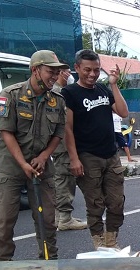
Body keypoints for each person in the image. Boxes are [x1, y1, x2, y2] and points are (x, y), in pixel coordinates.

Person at [0, 50, 68, 261]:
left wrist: (44, 157)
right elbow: (6, 132)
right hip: (11, 165)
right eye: (50, 71)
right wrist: (23, 164)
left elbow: (59, 133)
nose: (54, 76)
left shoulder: (57, 100)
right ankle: (2, 267)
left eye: (57, 72)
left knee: (47, 221)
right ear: (35, 70)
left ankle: (49, 263)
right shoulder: (10, 95)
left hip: (41, 165)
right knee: (3, 221)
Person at [62, 49, 129, 250]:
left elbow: (123, 112)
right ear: (77, 68)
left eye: (96, 70)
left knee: (116, 202)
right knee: (95, 204)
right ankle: (99, 244)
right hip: (87, 156)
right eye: (87, 70)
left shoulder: (103, 90)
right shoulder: (69, 93)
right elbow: (67, 128)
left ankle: (111, 241)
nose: (92, 74)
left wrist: (114, 84)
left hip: (111, 154)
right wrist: (74, 159)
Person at [51, 68, 88, 232]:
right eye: (66, 71)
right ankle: (64, 219)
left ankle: (60, 218)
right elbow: (65, 124)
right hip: (64, 145)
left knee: (61, 180)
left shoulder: (56, 91)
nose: (69, 74)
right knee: (65, 182)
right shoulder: (59, 93)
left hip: (60, 145)